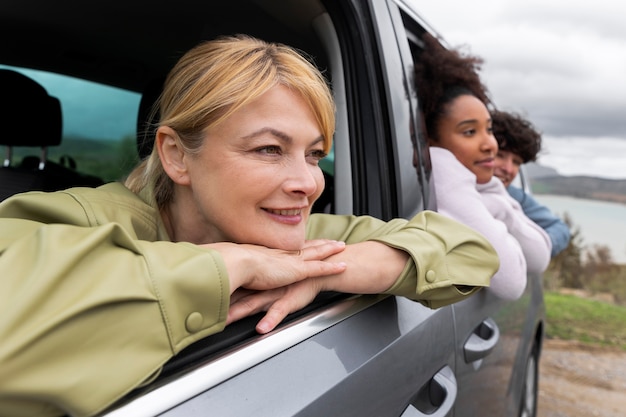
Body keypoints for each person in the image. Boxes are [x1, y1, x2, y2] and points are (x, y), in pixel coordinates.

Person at [0, 35, 499, 417]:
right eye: (268, 149)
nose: (308, 182)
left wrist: (331, 270)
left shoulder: (298, 233)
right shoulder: (77, 220)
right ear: (176, 155)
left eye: (314, 155)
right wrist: (230, 264)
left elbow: (471, 252)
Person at [413, 33, 552, 300]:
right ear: (431, 141)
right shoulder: (444, 173)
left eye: (488, 129)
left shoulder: (486, 186)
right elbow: (512, 282)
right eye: (469, 132)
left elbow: (539, 257)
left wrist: (499, 209)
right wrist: (502, 213)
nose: (489, 144)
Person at [491, 109, 571, 257]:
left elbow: (560, 229)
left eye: (516, 162)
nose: (508, 169)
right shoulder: (445, 188)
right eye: (500, 155)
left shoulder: (515, 196)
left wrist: (533, 249)